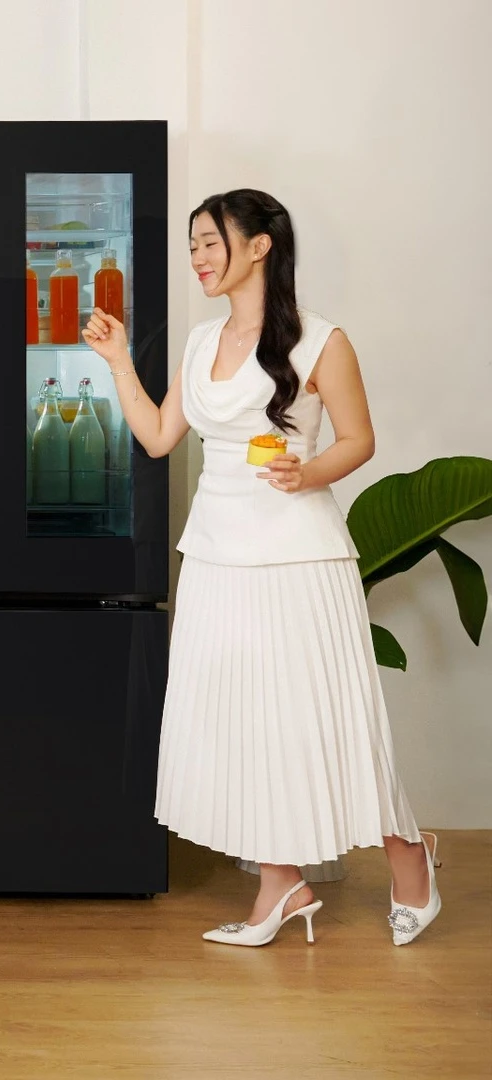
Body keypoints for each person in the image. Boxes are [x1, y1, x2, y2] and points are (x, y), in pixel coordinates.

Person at [84, 188, 439, 947]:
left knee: (330, 718)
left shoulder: (320, 340)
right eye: (192, 245)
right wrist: (118, 362)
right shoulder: (198, 342)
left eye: (211, 242)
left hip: (299, 555)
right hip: (216, 555)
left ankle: (411, 856)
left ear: (260, 246)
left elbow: (359, 439)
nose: (199, 257)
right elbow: (158, 437)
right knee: (241, 722)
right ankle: (281, 886)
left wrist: (307, 474)